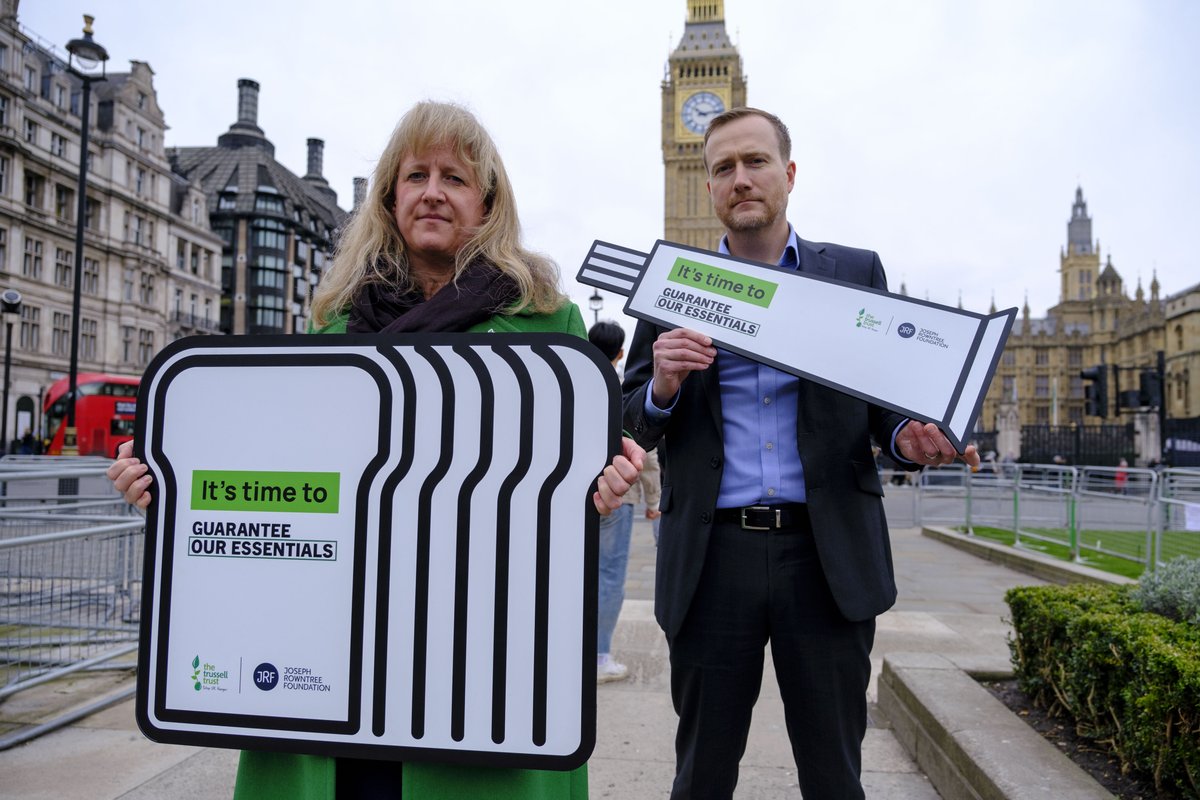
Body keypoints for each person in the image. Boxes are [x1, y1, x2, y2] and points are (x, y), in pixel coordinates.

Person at [109, 101, 643, 800]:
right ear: (390, 197)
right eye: (414, 174)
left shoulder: (547, 320)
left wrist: (604, 489)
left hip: (477, 669)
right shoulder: (333, 322)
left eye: (453, 177)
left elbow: (567, 492)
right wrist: (170, 490)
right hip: (331, 659)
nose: (431, 191)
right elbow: (276, 476)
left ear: (486, 201)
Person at [621, 107, 980, 800]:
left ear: (788, 174)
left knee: (835, 771)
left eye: (755, 162)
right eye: (723, 167)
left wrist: (909, 438)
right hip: (711, 559)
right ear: (709, 189)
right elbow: (634, 418)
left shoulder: (851, 271)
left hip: (826, 556)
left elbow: (890, 405)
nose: (741, 178)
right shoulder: (674, 283)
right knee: (700, 772)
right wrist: (663, 382)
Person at [587, 321, 634, 683]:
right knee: (610, 575)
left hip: (577, 490)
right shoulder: (617, 388)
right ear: (620, 353)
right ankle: (600, 655)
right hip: (618, 491)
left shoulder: (578, 380)